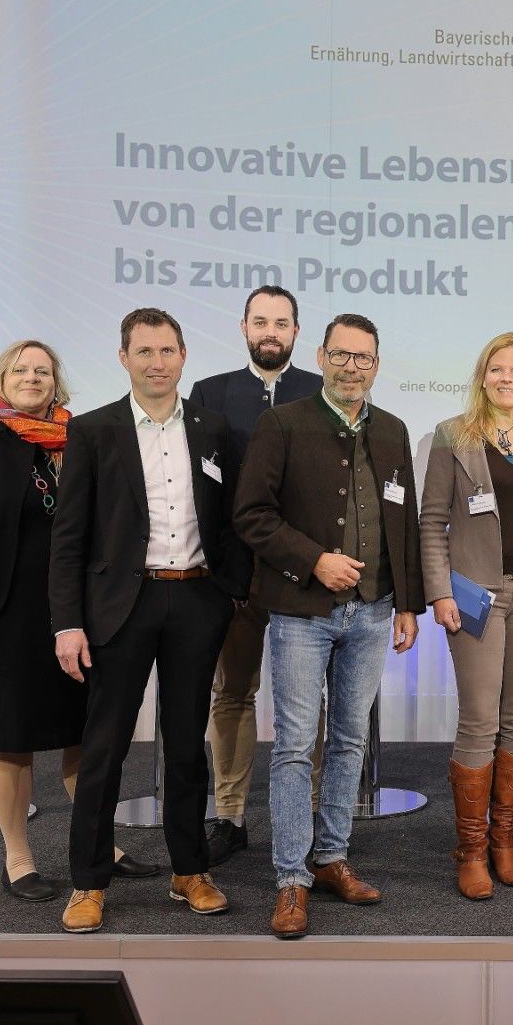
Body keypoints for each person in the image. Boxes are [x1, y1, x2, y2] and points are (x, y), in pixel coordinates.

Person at [0, 341, 155, 901]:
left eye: (43, 371)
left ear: (57, 382)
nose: (32, 378)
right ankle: (18, 859)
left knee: (86, 733)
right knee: (11, 739)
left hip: (80, 614)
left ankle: (99, 846)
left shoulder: (83, 439)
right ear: (0, 379)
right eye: (21, 369)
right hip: (1, 617)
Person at [52, 308, 250, 933]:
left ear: (183, 356)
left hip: (196, 601)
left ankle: (190, 870)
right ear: (124, 358)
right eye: (144, 352)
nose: (157, 363)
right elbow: (68, 537)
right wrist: (67, 623)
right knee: (105, 747)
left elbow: (233, 521)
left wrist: (230, 593)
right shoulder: (93, 430)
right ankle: (88, 881)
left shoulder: (214, 428)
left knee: (188, 746)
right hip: (120, 607)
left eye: (167, 351)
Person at [234, 313, 424, 938]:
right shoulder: (282, 424)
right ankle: (291, 879)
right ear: (320, 357)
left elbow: (404, 522)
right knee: (295, 745)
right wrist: (314, 559)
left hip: (373, 610)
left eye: (363, 358)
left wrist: (406, 603)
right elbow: (252, 514)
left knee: (348, 740)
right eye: (341, 355)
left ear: (376, 364)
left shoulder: (393, 430)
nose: (351, 367)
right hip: (300, 612)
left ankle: (331, 857)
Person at [420, 333, 513, 900]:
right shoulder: (452, 435)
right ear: (483, 377)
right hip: (476, 595)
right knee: (479, 720)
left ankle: (505, 840)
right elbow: (432, 521)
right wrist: (440, 593)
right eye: (496, 369)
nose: (507, 378)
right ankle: (473, 849)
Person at [189, 285, 324, 865]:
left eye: (281, 322)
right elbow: (204, 492)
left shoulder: (321, 391)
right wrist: (222, 569)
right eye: (261, 321)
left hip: (302, 575)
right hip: (235, 577)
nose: (271, 332)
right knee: (233, 693)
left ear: (296, 332)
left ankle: (308, 816)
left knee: (306, 704)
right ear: (244, 327)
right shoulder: (210, 393)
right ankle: (230, 815)